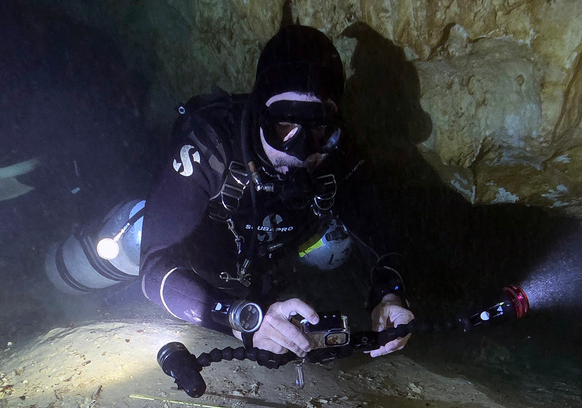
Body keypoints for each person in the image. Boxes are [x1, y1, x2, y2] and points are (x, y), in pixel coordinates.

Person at [136, 24, 414, 358]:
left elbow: (383, 237)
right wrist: (242, 319)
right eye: (284, 127)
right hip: (195, 268)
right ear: (258, 112)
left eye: (320, 129)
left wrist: (390, 296)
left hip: (272, 272)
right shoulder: (211, 147)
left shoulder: (341, 156)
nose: (300, 151)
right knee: (129, 238)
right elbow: (153, 268)